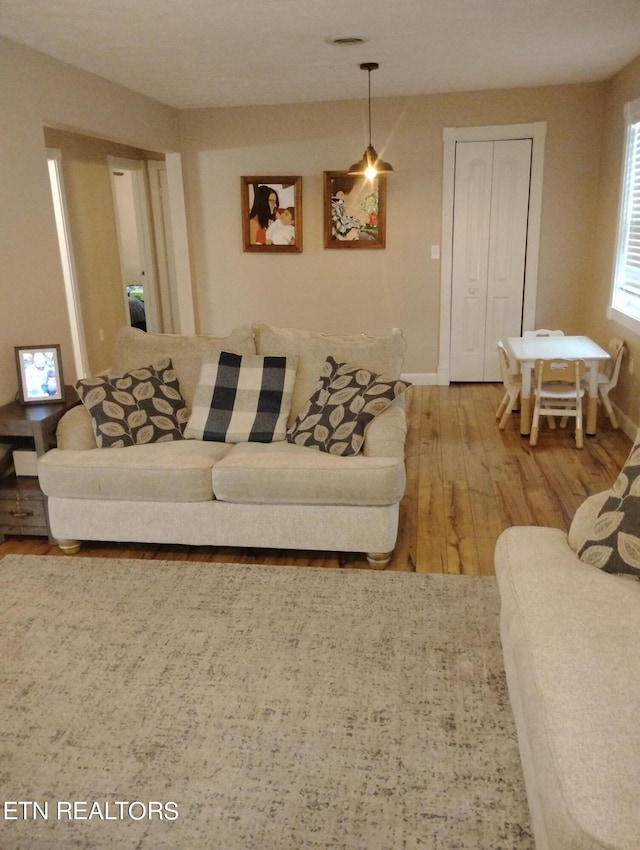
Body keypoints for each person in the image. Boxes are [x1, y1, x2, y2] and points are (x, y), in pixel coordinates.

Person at [330, 175, 376, 241]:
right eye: (358, 197)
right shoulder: (333, 206)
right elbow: (345, 234)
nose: (362, 201)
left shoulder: (343, 217)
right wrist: (359, 219)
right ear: (340, 196)